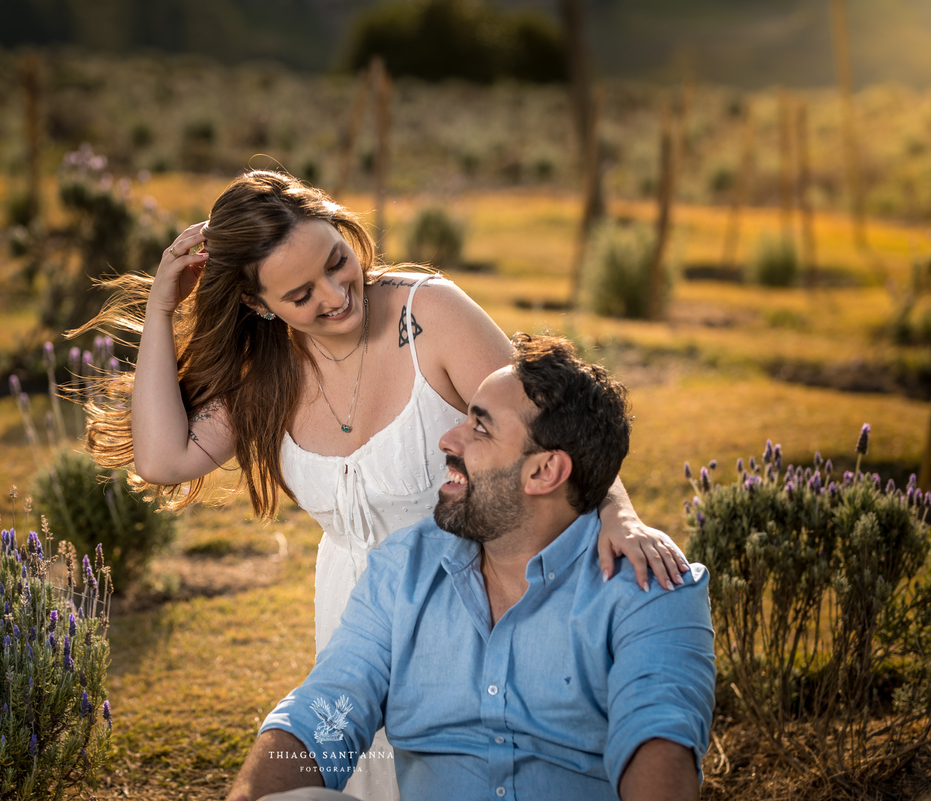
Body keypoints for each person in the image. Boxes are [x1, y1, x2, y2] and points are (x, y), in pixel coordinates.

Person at [74, 171, 689, 800]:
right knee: (355, 766)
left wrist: (619, 515)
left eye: (338, 262)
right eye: (300, 294)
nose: (337, 296)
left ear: (345, 233)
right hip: (356, 611)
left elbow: (546, 427)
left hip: (473, 594)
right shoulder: (265, 371)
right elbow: (162, 459)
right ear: (260, 305)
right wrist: (160, 307)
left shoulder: (432, 314)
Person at [225, 334, 717, 801]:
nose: (448, 439)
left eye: (479, 427)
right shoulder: (402, 571)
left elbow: (658, 744)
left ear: (544, 471)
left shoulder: (650, 587)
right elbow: (325, 711)